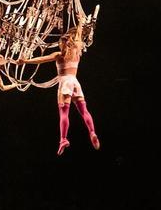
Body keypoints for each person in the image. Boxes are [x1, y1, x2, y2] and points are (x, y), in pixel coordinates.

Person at [18, 25, 100, 155]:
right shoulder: (77, 50)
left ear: (62, 43)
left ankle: (63, 139)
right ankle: (92, 132)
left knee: (64, 113)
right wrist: (81, 23)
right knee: (84, 111)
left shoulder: (59, 55)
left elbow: (40, 60)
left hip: (65, 83)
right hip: (75, 82)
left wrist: (25, 61)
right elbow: (78, 35)